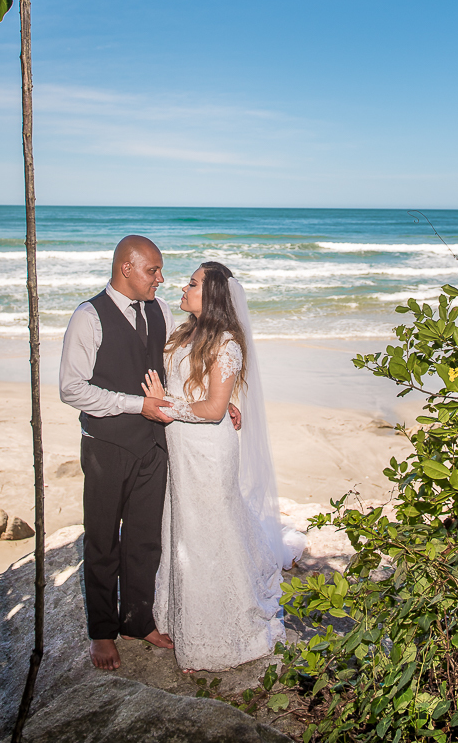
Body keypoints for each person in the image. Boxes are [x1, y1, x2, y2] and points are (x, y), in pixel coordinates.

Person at [142, 261, 305, 672]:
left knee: (208, 534)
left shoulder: (227, 343)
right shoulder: (183, 332)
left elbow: (213, 409)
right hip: (180, 446)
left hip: (208, 451)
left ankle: (217, 633)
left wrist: (166, 406)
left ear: (212, 293)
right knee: (185, 530)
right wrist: (190, 403)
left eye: (193, 284)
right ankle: (182, 616)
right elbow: (204, 391)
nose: (184, 288)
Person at [59, 235, 178, 672]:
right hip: (106, 447)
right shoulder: (88, 317)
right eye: (153, 270)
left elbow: (173, 371)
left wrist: (219, 402)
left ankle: (137, 622)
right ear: (127, 268)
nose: (160, 279)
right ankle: (102, 631)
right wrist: (135, 404)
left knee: (145, 538)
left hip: (154, 445)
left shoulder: (161, 311)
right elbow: (71, 389)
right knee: (103, 538)